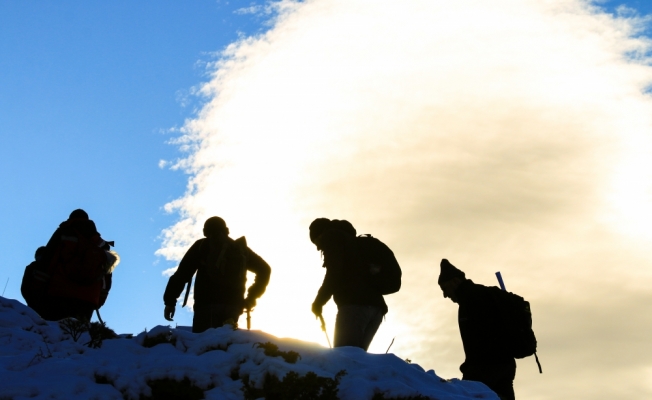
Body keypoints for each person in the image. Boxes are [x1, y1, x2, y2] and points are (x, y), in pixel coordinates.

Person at [163, 217, 271, 333]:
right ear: (226, 230)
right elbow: (265, 269)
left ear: (205, 231)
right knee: (225, 344)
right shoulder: (239, 249)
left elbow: (182, 274)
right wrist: (251, 298)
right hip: (233, 307)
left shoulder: (202, 245)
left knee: (203, 346)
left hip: (205, 306)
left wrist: (170, 301)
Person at [438, 258, 516, 400]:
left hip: (486, 369)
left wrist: (470, 373)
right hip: (506, 364)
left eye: (445, 289)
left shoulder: (471, 301)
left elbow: (478, 342)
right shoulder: (484, 294)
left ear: (455, 281)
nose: (445, 295)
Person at [22, 209, 117, 321]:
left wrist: (37, 290)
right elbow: (106, 276)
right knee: (79, 336)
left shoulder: (64, 232)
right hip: (88, 301)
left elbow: (49, 260)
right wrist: (98, 300)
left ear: (71, 219)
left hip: (59, 294)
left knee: (56, 334)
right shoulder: (101, 245)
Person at [309, 218, 387, 351]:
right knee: (356, 359)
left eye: (316, 242)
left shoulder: (332, 237)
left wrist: (318, 302)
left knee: (343, 358)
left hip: (355, 306)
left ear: (320, 234)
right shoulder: (354, 245)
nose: (318, 248)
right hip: (377, 309)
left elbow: (334, 273)